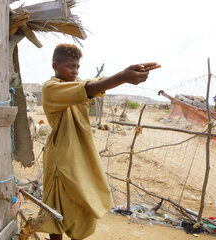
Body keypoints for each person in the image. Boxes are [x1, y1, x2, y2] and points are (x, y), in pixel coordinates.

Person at [38, 43, 161, 240]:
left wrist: (127, 76)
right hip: (61, 160)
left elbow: (95, 84)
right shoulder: (51, 88)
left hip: (81, 158)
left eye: (77, 67)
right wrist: (123, 77)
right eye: (71, 66)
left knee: (83, 202)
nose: (75, 71)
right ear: (55, 66)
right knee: (57, 208)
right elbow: (88, 88)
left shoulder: (76, 85)